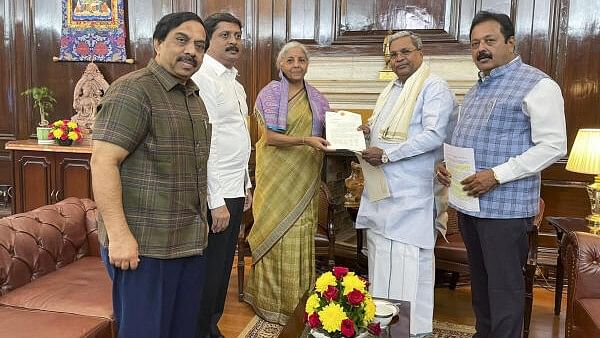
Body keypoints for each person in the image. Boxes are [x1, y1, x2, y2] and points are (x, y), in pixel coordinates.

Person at [436, 11, 567, 338]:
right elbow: (466, 140)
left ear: (511, 43)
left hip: (505, 212)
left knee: (504, 292)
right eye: (475, 43)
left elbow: (553, 146)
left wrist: (497, 174)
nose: (481, 48)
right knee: (480, 288)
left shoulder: (538, 85)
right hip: (469, 207)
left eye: (490, 41)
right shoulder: (476, 89)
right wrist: (446, 166)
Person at [90, 12, 210, 338]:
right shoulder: (134, 91)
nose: (192, 51)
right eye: (181, 40)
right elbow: (103, 162)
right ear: (158, 44)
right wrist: (119, 236)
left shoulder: (192, 96)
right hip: (145, 248)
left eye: (200, 46)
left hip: (188, 243)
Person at [355, 31, 457, 337]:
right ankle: (384, 328)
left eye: (405, 52)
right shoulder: (390, 89)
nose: (399, 58)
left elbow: (434, 135)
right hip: (383, 193)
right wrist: (367, 129)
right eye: (393, 54)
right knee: (382, 263)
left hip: (412, 195)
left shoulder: (433, 86)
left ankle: (409, 331)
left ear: (420, 53)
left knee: (409, 267)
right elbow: (381, 127)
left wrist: (386, 154)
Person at [244, 41, 330, 325]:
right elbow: (270, 138)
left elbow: (330, 131)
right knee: (272, 230)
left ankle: (297, 304)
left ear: (307, 64)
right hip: (274, 175)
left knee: (300, 232)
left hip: (304, 177)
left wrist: (356, 130)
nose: (296, 65)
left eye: (301, 60)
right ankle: (268, 302)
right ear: (280, 65)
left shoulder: (317, 98)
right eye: (290, 60)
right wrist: (305, 140)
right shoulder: (270, 93)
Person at [190, 13, 252, 338]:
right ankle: (202, 331)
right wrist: (216, 201)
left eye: (238, 35)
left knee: (223, 267)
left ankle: (211, 327)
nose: (233, 41)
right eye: (225, 35)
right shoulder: (204, 80)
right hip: (217, 195)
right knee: (210, 271)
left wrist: (247, 184)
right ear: (208, 41)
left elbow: (239, 137)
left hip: (234, 188)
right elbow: (207, 145)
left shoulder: (235, 83)